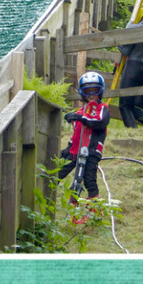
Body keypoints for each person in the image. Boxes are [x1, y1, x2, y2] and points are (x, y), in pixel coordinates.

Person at [58, 71, 110, 206]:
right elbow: (77, 133)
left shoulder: (102, 108)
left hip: (92, 151)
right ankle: (47, 197)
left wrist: (79, 118)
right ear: (82, 92)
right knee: (58, 171)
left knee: (89, 179)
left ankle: (93, 206)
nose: (92, 95)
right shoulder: (80, 112)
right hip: (75, 150)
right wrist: (68, 148)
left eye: (95, 90)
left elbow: (98, 122)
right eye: (88, 91)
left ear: (101, 91)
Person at [117, 2, 143, 128]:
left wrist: (119, 41)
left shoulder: (136, 28)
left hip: (133, 68)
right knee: (136, 107)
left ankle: (135, 130)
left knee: (124, 106)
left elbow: (125, 50)